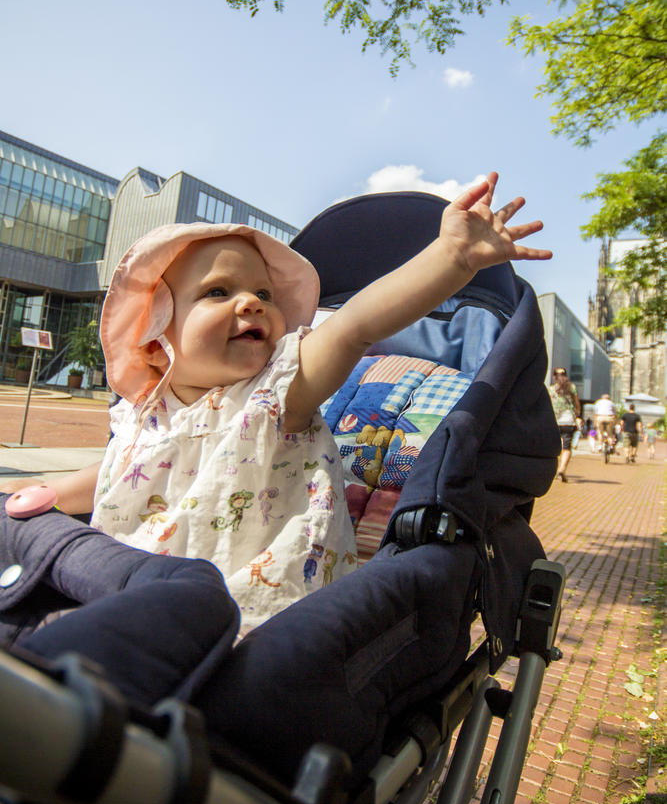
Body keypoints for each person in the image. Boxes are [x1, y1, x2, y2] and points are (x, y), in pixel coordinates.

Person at [4, 173, 551, 635]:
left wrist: (452, 258)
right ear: (153, 335)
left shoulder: (276, 393)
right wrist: (48, 492)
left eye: (265, 295)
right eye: (218, 293)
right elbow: (122, 466)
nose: (251, 302)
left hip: (248, 616)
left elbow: (358, 324)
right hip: (122, 592)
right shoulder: (145, 411)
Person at [548, 367, 581, 482]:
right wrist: (577, 414)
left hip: (554, 421)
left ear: (554, 377)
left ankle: (552, 470)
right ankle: (562, 469)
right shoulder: (572, 388)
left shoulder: (550, 389)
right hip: (568, 421)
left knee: (553, 447)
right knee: (566, 447)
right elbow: (577, 404)